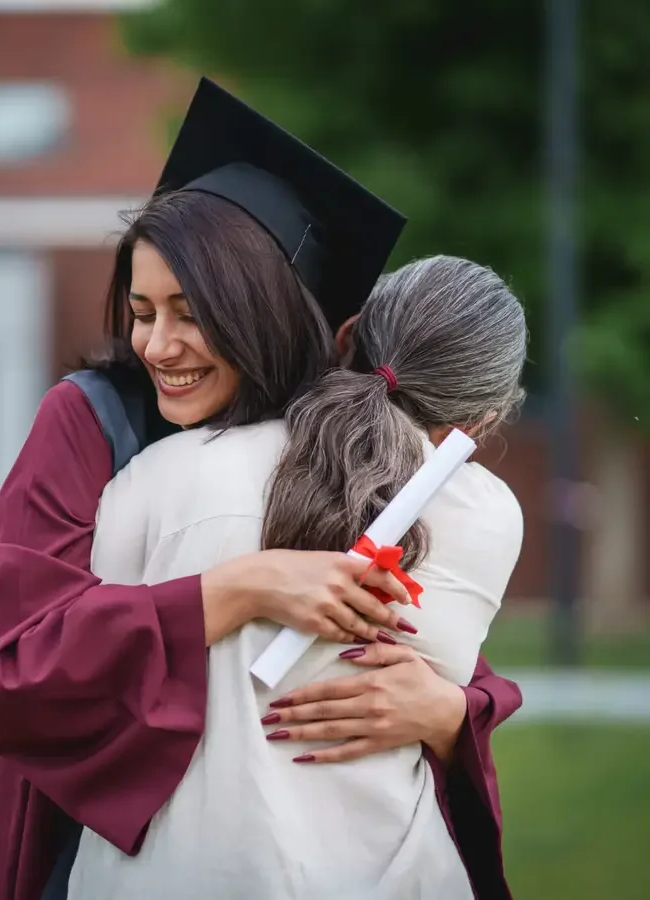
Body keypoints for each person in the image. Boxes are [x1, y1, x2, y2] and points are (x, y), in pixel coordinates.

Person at [0, 77, 522, 900]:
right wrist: (239, 587)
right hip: (97, 830)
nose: (156, 345)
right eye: (142, 310)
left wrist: (449, 713)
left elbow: (428, 630)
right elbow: (7, 669)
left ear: (265, 308)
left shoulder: (344, 431)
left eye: (191, 312)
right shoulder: (97, 421)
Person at [67, 251, 526, 899]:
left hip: (176, 871)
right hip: (393, 872)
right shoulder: (491, 518)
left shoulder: (163, 474)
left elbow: (90, 668)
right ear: (481, 421)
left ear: (346, 337)